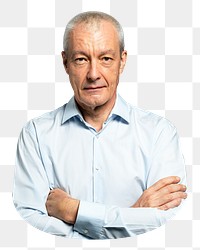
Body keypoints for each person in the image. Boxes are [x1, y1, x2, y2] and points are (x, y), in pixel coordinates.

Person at [13, 11, 187, 239]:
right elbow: (31, 222)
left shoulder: (159, 133)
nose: (93, 74)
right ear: (65, 62)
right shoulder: (35, 134)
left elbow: (166, 222)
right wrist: (135, 214)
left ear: (122, 61)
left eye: (105, 58)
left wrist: (72, 210)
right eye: (81, 59)